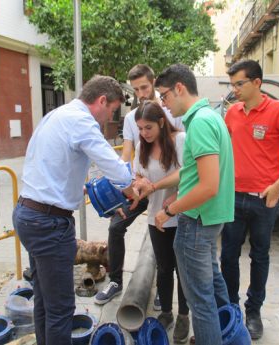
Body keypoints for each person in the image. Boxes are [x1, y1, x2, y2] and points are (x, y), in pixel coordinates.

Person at [12, 75, 139, 345]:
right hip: (48, 224)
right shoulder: (82, 121)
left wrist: (78, 191)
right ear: (102, 100)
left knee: (45, 300)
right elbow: (114, 166)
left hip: (28, 213)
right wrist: (131, 186)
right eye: (113, 110)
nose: (109, 117)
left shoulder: (57, 115)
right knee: (60, 309)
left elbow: (50, 165)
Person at [220, 59, 279, 340]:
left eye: (239, 84)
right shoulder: (232, 113)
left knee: (260, 256)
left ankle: (254, 310)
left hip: (264, 200)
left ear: (257, 83)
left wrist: (278, 185)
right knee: (227, 256)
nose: (234, 89)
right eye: (232, 84)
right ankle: (231, 307)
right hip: (233, 198)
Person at [153, 64, 235, 345]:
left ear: (179, 88)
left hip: (196, 224)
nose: (163, 103)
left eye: (164, 96)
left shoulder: (199, 122)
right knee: (215, 289)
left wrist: (169, 210)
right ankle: (235, 337)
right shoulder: (211, 117)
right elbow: (197, 175)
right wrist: (176, 196)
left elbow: (209, 185)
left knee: (201, 304)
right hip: (210, 220)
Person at [95, 64, 183, 305]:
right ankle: (115, 280)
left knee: (167, 241)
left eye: (144, 87)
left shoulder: (171, 111)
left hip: (168, 188)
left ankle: (163, 291)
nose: (141, 93)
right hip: (141, 185)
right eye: (135, 89)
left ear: (153, 82)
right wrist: (127, 187)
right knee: (116, 226)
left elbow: (184, 157)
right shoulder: (132, 118)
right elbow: (127, 154)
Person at [133, 101, 190, 344]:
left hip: (181, 215)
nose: (144, 134)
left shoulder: (180, 141)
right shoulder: (140, 146)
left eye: (148, 128)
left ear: (161, 123)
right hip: (155, 218)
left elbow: (187, 174)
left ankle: (184, 316)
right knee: (164, 269)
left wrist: (155, 186)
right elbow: (138, 174)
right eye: (140, 129)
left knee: (183, 271)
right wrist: (138, 186)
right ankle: (166, 312)